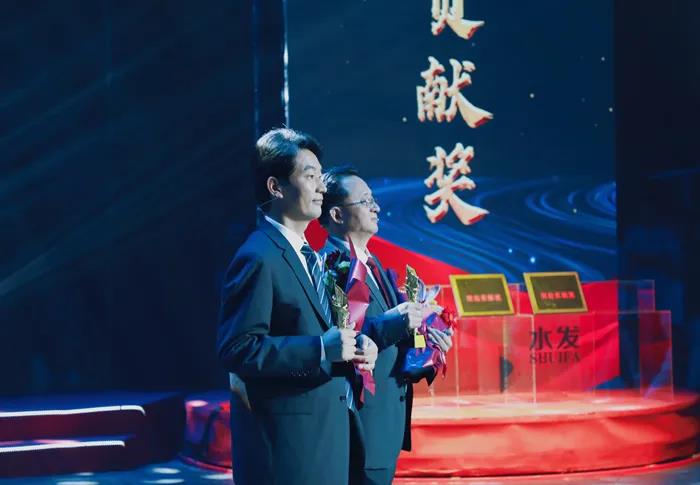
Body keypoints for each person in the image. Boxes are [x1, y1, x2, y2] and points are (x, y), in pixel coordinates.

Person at [217, 130, 378, 485]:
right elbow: (238, 348)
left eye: (320, 176)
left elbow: (318, 330)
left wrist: (355, 347)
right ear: (276, 187)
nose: (321, 186)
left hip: (327, 439)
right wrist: (319, 348)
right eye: (310, 175)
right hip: (289, 453)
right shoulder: (258, 256)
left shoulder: (308, 256)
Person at [319, 166, 453, 485]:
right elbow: (338, 339)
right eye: (366, 201)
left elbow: (396, 333)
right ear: (337, 214)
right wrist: (395, 322)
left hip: (386, 421)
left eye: (374, 200)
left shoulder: (373, 264)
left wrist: (428, 346)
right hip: (359, 423)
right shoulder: (325, 267)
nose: (376, 208)